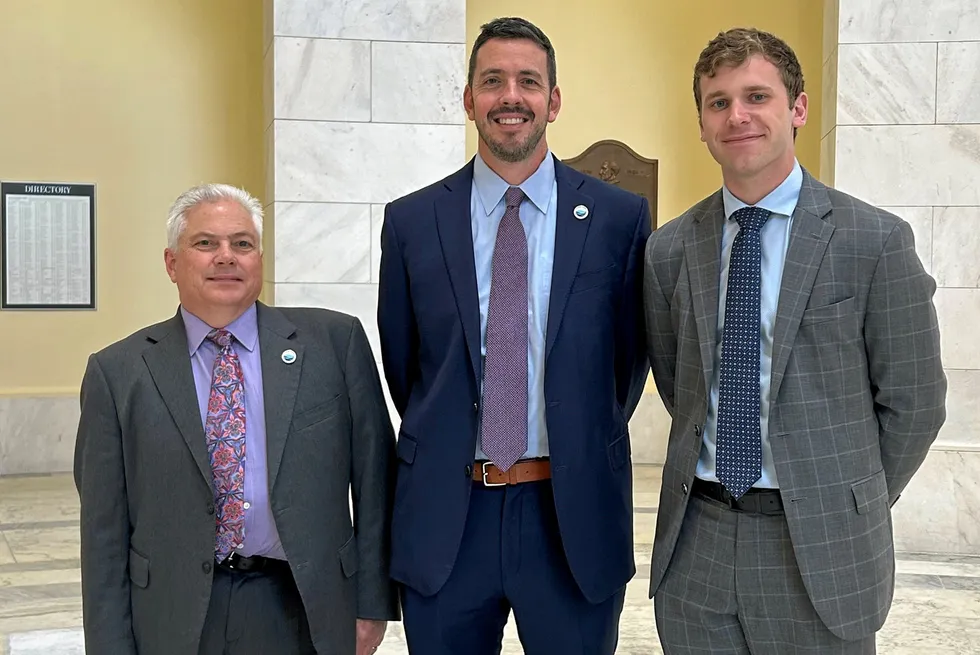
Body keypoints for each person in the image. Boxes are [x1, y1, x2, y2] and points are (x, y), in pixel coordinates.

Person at [643, 27, 947, 654]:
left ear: (798, 108)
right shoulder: (670, 249)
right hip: (697, 543)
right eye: (718, 102)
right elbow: (682, 388)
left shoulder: (874, 241)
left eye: (757, 95)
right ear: (701, 122)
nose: (738, 116)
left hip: (820, 553)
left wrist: (842, 497)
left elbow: (914, 402)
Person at [377, 16, 651, 655]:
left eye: (529, 82)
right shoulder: (413, 222)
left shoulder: (618, 218)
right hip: (450, 515)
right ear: (468, 98)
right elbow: (407, 363)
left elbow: (626, 362)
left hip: (570, 517)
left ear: (553, 101)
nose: (511, 96)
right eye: (492, 81)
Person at [73, 184, 398, 655]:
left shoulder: (334, 344)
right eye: (205, 243)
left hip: (304, 607)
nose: (226, 256)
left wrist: (373, 606)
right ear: (171, 263)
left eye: (242, 243)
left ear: (260, 260)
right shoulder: (118, 373)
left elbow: (375, 484)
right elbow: (102, 532)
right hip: (172, 616)